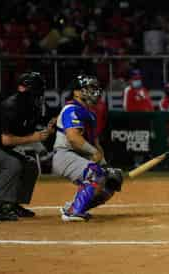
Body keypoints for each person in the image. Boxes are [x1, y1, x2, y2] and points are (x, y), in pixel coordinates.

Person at [52, 74, 123, 222]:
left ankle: (74, 207)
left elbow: (95, 143)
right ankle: (72, 213)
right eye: (89, 88)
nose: (94, 91)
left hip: (80, 157)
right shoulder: (71, 109)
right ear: (77, 92)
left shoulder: (90, 114)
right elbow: (73, 138)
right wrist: (94, 153)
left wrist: (105, 166)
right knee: (95, 173)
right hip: (65, 155)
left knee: (110, 181)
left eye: (95, 88)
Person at [0, 72, 55, 222]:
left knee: (30, 165)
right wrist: (34, 137)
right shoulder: (10, 106)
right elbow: (6, 140)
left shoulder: (32, 107)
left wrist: (45, 133)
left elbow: (27, 132)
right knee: (13, 164)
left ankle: (12, 205)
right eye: (37, 91)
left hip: (2, 147)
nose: (39, 96)